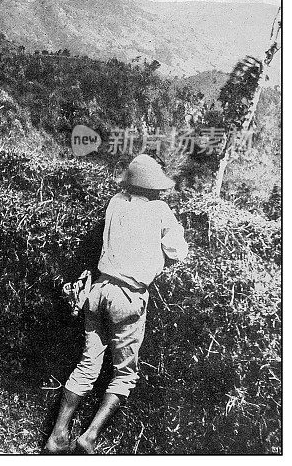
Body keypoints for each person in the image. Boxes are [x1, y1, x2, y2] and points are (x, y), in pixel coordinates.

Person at [45, 154, 188, 454]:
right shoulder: (161, 211)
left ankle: (58, 433)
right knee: (125, 373)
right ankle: (89, 436)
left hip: (98, 291)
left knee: (88, 364)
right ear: (153, 186)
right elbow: (176, 250)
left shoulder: (115, 203)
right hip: (128, 297)